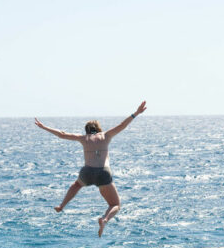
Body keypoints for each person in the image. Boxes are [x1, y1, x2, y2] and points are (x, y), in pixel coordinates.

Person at [35, 101, 147, 237]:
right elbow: (122, 125)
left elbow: (62, 134)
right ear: (98, 129)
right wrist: (136, 113)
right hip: (103, 173)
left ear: (86, 130)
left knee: (76, 185)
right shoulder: (106, 135)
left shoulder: (83, 138)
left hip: (87, 172)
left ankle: (61, 206)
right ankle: (105, 219)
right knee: (115, 204)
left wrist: (44, 127)